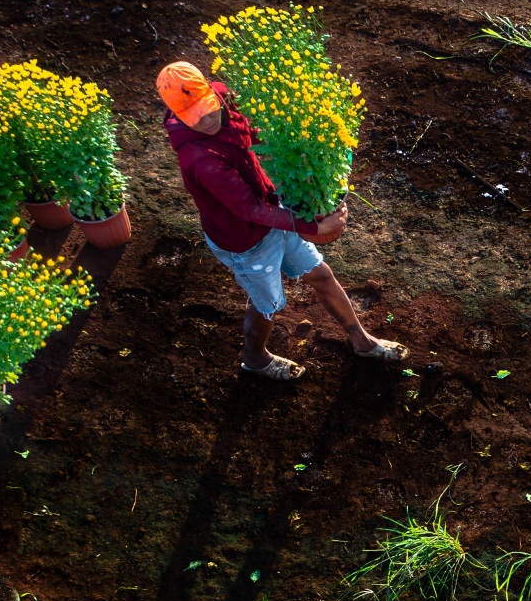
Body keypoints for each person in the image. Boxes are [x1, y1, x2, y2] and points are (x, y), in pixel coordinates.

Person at [156, 60, 407, 381]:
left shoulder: (225, 99)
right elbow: (249, 210)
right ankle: (255, 359)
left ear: (210, 91)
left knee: (321, 275)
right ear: (178, 115)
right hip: (244, 242)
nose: (206, 119)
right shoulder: (201, 159)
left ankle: (363, 342)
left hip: (274, 214)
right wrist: (314, 227)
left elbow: (257, 133)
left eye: (207, 107)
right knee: (268, 305)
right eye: (195, 116)